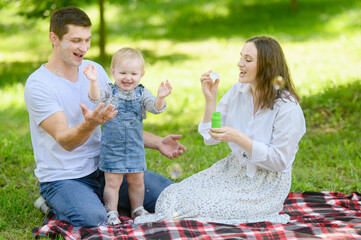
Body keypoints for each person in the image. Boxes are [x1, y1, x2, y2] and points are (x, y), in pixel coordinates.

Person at [24, 6, 186, 227]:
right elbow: (66, 141)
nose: (84, 48)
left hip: (109, 166)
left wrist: (158, 143)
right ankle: (54, 201)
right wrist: (90, 123)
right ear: (54, 38)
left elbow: (120, 123)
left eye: (87, 40)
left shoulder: (94, 70)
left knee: (174, 197)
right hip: (65, 177)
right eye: (76, 41)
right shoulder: (39, 84)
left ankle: (107, 200)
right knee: (93, 219)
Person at [135, 36, 306, 225]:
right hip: (233, 171)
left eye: (248, 60)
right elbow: (211, 138)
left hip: (265, 186)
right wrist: (210, 99)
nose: (239, 63)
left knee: (199, 208)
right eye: (241, 57)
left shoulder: (287, 108)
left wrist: (240, 139)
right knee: (170, 199)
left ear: (268, 65)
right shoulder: (239, 91)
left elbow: (280, 162)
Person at [83, 47, 172, 224]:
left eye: (133, 73)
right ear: (113, 72)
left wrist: (160, 97)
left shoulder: (142, 93)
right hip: (112, 149)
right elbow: (95, 98)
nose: (128, 77)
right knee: (113, 183)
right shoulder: (109, 91)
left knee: (137, 181)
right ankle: (111, 212)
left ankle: (137, 210)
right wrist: (93, 82)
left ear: (141, 74)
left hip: (134, 148)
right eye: (122, 73)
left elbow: (156, 108)